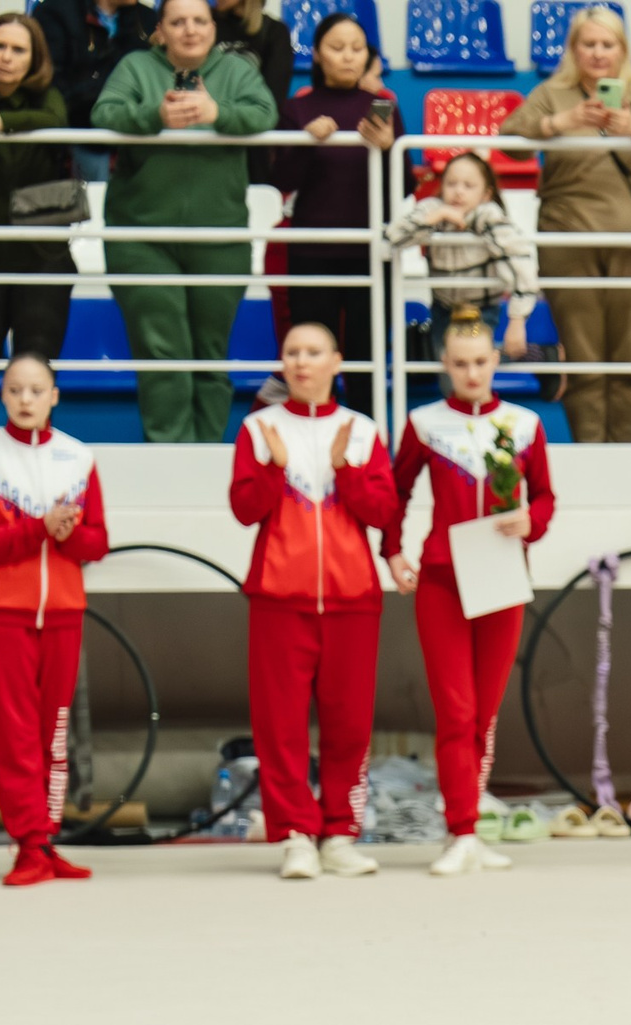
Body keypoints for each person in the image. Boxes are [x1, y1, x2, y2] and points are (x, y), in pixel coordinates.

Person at [227, 320, 405, 881]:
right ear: (282, 363)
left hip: (353, 598)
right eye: (292, 353)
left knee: (349, 723)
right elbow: (244, 509)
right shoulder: (258, 428)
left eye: (314, 352)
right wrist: (276, 469)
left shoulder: (362, 431)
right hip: (280, 596)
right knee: (279, 725)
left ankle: (339, 833)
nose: (302, 362)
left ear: (336, 362)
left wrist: (346, 470)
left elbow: (383, 513)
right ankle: (296, 836)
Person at [386, 306, 557, 878]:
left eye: (481, 362)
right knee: (455, 711)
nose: (472, 373)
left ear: (495, 361)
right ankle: (458, 830)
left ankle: (472, 824)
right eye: (461, 364)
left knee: (483, 713)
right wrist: (394, 550)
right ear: (445, 365)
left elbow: (548, 499)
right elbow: (397, 489)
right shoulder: (424, 423)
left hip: (502, 578)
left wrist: (531, 519)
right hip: (442, 579)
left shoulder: (526, 424)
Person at [501, 5, 631, 444]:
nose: (599, 53)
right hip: (567, 241)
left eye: (608, 44)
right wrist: (557, 124)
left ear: (622, 49)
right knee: (583, 360)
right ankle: (589, 459)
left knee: (627, 357)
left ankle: (622, 459)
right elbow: (509, 139)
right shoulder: (552, 92)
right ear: (574, 49)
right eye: (589, 44)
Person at [91, 0, 276, 444]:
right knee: (162, 356)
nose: (189, 30)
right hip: (141, 238)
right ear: (161, 30)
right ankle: (168, 458)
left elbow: (265, 114)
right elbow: (104, 114)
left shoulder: (238, 70)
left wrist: (219, 115)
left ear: (214, 28)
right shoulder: (135, 66)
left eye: (199, 20)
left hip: (220, 236)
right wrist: (152, 117)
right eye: (178, 21)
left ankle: (209, 460)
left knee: (211, 357)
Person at [0, 354, 107, 887]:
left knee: (55, 734)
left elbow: (97, 542)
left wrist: (67, 535)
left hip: (63, 610)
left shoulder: (78, 458)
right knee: (14, 733)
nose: (25, 400)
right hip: (5, 612)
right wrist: (40, 528)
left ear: (55, 396)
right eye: (15, 390)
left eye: (36, 390)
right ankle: (28, 844)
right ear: (3, 395)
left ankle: (48, 838)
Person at [273, 12, 396, 417]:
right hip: (311, 251)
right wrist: (307, 143)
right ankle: (311, 445)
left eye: (357, 48)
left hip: (371, 252)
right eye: (337, 47)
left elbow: (405, 189)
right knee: (312, 356)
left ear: (368, 56)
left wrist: (388, 150)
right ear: (319, 55)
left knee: (367, 357)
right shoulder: (298, 108)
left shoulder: (383, 106)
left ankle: (369, 452)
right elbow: (281, 179)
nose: (347, 56)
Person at [380, 151, 539, 363]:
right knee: (450, 375)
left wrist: (517, 319)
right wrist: (433, 218)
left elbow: (522, 261)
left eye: (468, 185)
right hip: (442, 309)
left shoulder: (489, 215)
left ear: (486, 194)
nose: (458, 192)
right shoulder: (433, 209)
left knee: (474, 367)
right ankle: (530, 355)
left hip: (482, 310)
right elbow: (390, 238)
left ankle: (536, 354)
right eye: (451, 183)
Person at [0, 16, 73, 364]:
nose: (6, 57)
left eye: (18, 49)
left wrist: (2, 122)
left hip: (43, 256)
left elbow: (56, 120)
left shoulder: (48, 97)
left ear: (34, 57)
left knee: (36, 367)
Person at [34, 0, 152, 179]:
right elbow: (51, 79)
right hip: (78, 128)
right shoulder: (55, 12)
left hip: (134, 129)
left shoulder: (147, 17)